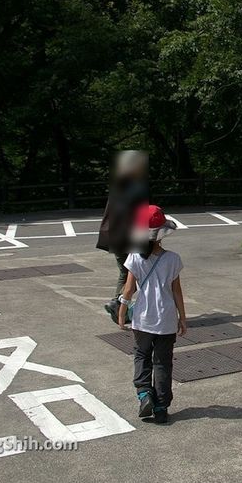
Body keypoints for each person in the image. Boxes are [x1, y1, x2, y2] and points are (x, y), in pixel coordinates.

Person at [116, 204, 186, 425]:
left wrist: (122, 311)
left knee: (141, 356)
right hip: (166, 320)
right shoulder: (173, 259)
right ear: (162, 233)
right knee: (163, 363)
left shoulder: (135, 257)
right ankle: (161, 406)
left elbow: (128, 290)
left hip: (143, 320)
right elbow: (177, 291)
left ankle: (145, 393)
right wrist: (182, 317)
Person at [97, 150, 150, 323]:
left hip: (114, 235)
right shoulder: (138, 187)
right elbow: (142, 216)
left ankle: (119, 307)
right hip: (130, 237)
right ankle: (119, 304)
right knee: (138, 274)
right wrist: (145, 243)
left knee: (124, 272)